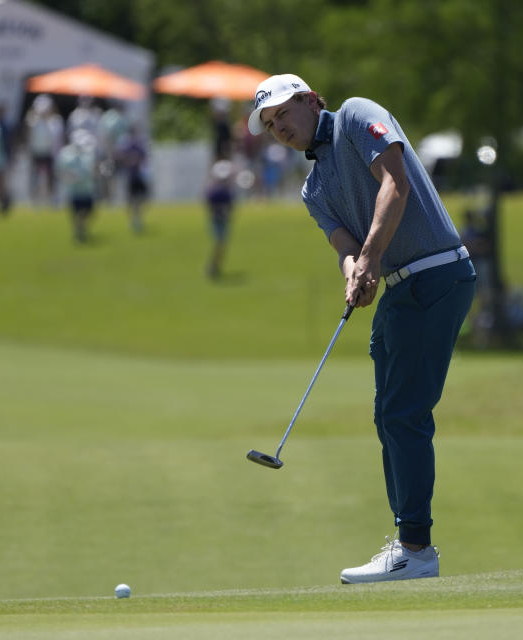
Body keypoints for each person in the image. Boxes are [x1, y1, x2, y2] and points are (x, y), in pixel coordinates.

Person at [249, 74, 476, 583]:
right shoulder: (313, 189)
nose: (280, 128)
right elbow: (344, 246)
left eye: (284, 113)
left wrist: (370, 255)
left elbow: (396, 183)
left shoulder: (355, 115)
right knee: (388, 415)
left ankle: (416, 548)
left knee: (403, 412)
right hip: (400, 289)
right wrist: (354, 268)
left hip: (437, 271)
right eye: (270, 125)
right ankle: (408, 540)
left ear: (310, 101)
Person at [55, 129, 97, 244]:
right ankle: (79, 230)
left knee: (89, 211)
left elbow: (93, 170)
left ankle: (80, 228)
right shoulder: (65, 154)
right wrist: (70, 177)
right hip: (74, 189)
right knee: (76, 212)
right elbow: (60, 171)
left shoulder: (89, 152)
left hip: (87, 188)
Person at [25, 94, 65, 207]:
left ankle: (53, 198)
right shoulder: (32, 120)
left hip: (50, 153)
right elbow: (27, 134)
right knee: (35, 177)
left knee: (51, 177)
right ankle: (35, 199)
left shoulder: (56, 121)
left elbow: (59, 139)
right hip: (36, 152)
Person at [204, 159, 235, 279]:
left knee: (222, 245)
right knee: (220, 243)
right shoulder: (215, 192)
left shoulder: (225, 192)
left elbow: (230, 208)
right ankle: (212, 267)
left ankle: (214, 266)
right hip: (218, 221)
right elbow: (212, 208)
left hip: (223, 220)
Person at [116, 125, 150, 234]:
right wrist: (130, 160)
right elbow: (120, 158)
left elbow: (144, 158)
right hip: (130, 176)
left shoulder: (138, 145)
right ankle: (133, 219)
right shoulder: (126, 145)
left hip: (139, 175)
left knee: (141, 198)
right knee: (131, 199)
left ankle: (137, 217)